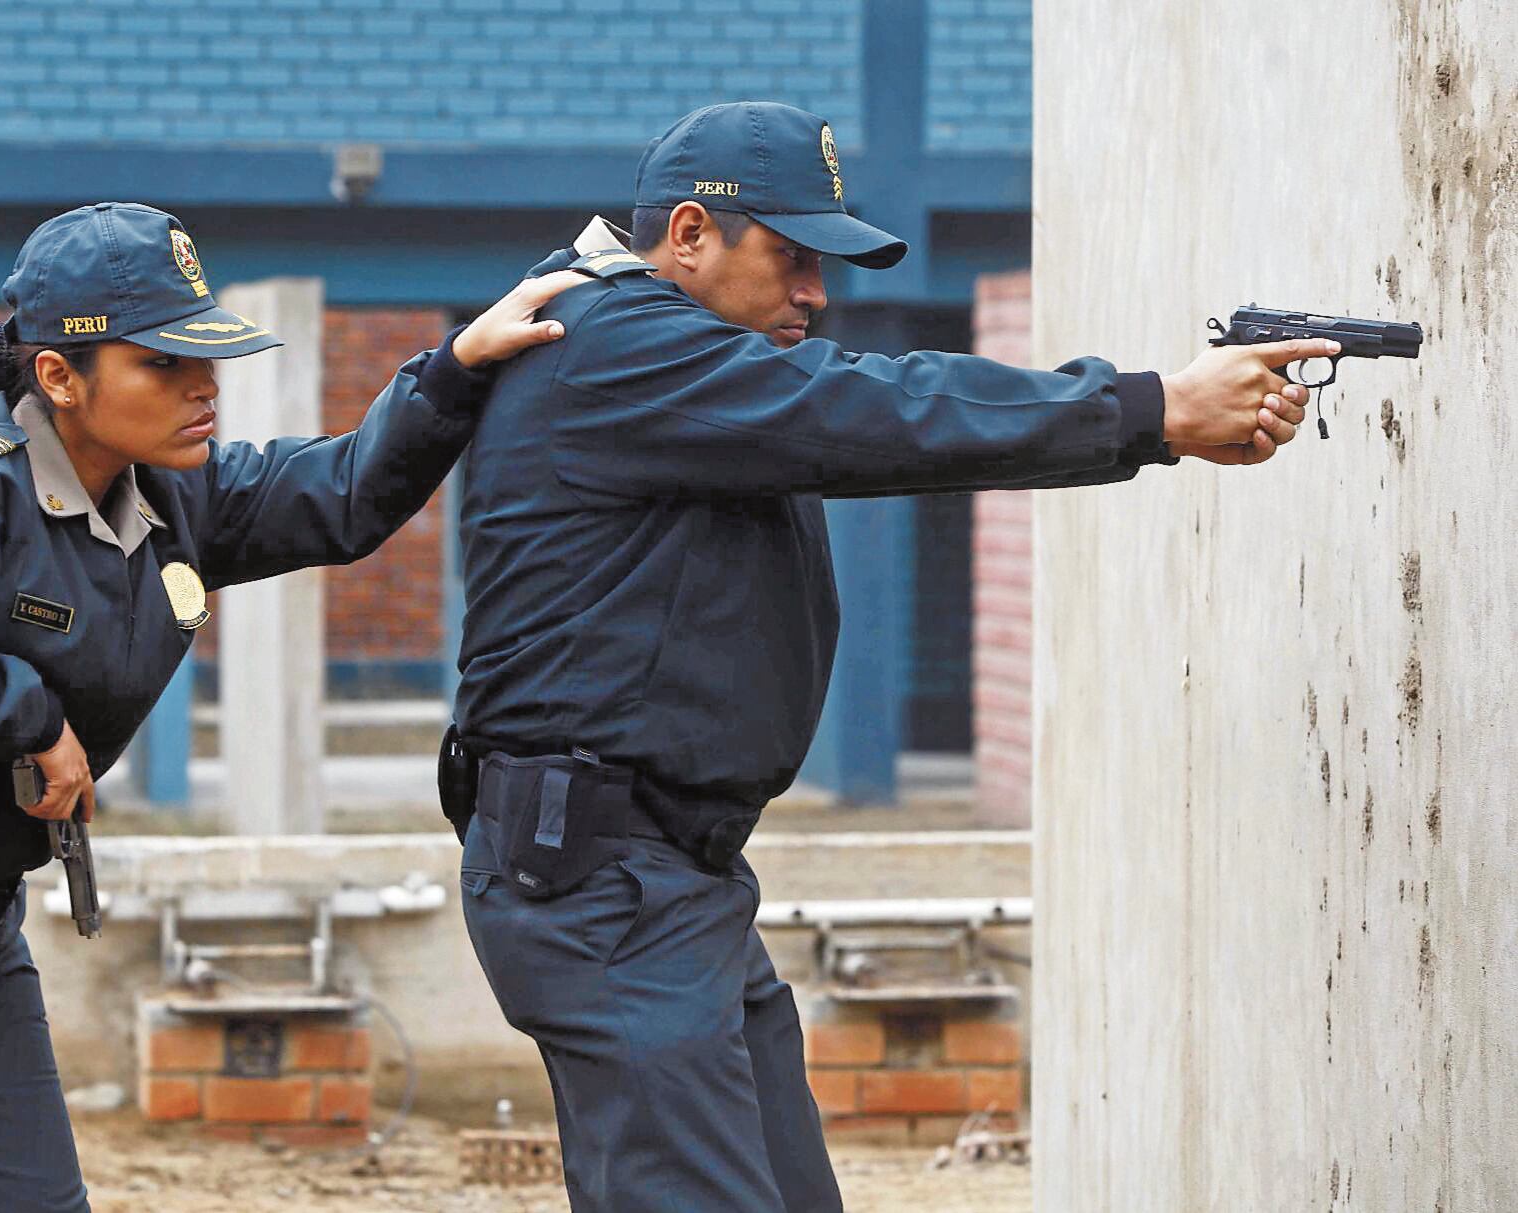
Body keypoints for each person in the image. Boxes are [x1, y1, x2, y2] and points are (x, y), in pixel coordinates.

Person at [446, 102, 1334, 1213]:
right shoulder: (614, 342)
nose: (816, 292)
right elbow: (871, 410)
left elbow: (849, 409)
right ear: (686, 235)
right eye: (791, 256)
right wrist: (1149, 408)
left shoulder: (667, 355)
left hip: (665, 877)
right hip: (604, 881)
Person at [0, 201, 580, 1213]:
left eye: (203, 358)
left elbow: (341, 491)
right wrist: (34, 719)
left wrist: (459, 367)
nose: (201, 385)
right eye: (161, 364)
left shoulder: (171, 494)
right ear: (57, 375)